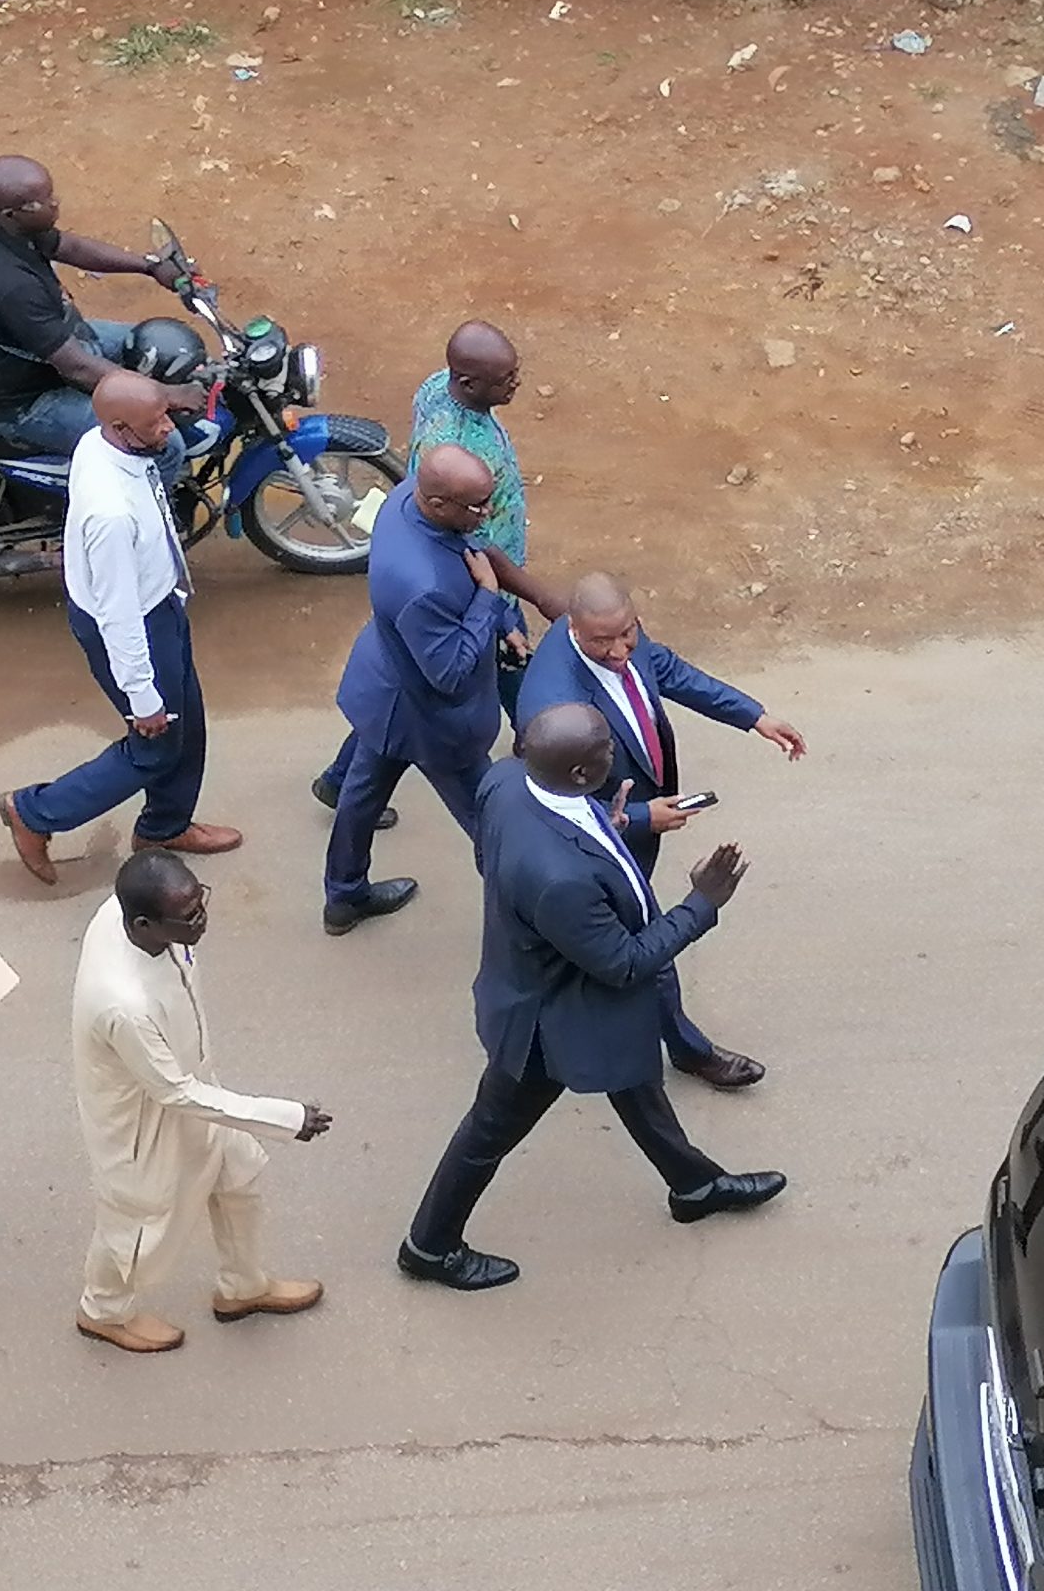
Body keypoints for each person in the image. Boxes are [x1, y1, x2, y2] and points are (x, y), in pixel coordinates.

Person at [398, 704, 783, 1293]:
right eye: (606, 747)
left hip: (573, 1000)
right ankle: (429, 1245)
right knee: (488, 1131)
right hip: (548, 1023)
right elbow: (624, 964)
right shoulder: (560, 880)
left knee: (637, 1086)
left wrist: (610, 822)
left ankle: (695, 1187)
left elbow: (514, 844)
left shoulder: (508, 781)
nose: (614, 751)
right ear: (581, 773)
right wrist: (702, 903)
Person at [518, 573, 807, 1087]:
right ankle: (685, 1047)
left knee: (627, 932)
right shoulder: (552, 700)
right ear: (571, 626)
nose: (619, 650)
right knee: (643, 939)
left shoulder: (621, 634)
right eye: (602, 642)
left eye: (627, 633)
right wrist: (644, 816)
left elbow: (670, 671)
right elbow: (562, 798)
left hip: (637, 818)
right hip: (604, 838)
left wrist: (754, 717)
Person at [72, 851, 328, 1354]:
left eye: (199, 902)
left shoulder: (131, 916)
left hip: (201, 1090)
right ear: (143, 923)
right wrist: (287, 1118)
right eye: (188, 916)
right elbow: (174, 1094)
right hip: (147, 1121)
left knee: (240, 1181)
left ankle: (244, 1287)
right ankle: (101, 1311)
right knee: (139, 1223)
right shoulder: (124, 1003)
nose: (202, 919)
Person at [313, 321, 568, 821]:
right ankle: (555, 768)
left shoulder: (440, 387)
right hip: (477, 581)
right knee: (505, 671)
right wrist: (527, 598)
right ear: (469, 383)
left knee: (399, 712)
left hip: (485, 576)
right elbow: (474, 545)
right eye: (505, 379)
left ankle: (339, 781)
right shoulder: (452, 451)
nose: (516, 384)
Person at [0, 372, 241, 883]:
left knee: (188, 722)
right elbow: (118, 614)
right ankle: (36, 812)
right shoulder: (110, 517)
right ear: (119, 427)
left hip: (160, 605)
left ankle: (165, 826)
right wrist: (142, 696)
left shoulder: (105, 442)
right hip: (134, 625)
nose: (168, 429)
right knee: (156, 742)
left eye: (165, 414)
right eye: (155, 423)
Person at [322, 445, 515, 936]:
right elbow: (448, 673)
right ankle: (529, 921)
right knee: (493, 823)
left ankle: (343, 896)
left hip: (386, 687)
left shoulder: (405, 495)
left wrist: (507, 619)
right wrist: (490, 602)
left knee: (361, 792)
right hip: (431, 721)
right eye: (476, 507)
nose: (486, 513)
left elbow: (468, 557)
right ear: (438, 503)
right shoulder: (422, 583)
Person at [0, 155, 194, 492]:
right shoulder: (12, 287)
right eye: (42, 202)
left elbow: (66, 246)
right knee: (166, 446)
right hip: (28, 401)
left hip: (65, 340)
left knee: (155, 342)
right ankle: (152, 523)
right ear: (12, 213)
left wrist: (150, 266)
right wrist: (165, 396)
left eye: (52, 194)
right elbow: (77, 368)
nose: (55, 204)